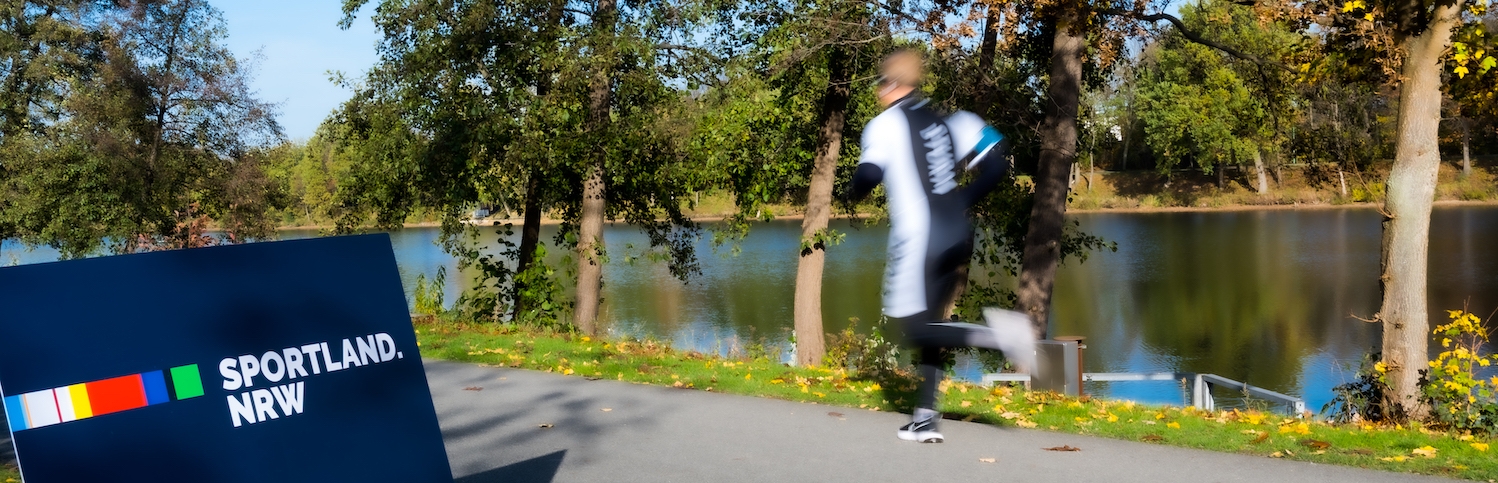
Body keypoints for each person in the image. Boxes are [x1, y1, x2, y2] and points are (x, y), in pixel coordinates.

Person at [845, 49, 1036, 444]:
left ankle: (1000, 337)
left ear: (891, 85)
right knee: (932, 324)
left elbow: (866, 177)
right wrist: (960, 202)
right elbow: (1000, 165)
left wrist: (851, 191)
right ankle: (926, 419)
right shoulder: (956, 121)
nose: (879, 94)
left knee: (912, 328)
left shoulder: (883, 126)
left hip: (920, 238)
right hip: (957, 232)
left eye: (880, 86)